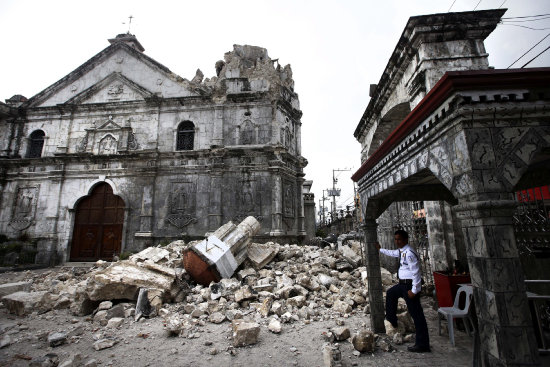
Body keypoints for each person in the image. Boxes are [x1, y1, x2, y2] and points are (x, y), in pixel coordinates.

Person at [375, 229, 430, 353]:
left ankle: (423, 344)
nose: (397, 241)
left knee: (417, 315)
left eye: (399, 239)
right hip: (402, 285)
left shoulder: (409, 253)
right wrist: (380, 249)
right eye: (395, 239)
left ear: (405, 240)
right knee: (391, 294)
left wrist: (415, 290)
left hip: (410, 286)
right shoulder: (402, 251)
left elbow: (416, 272)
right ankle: (391, 319)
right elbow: (393, 253)